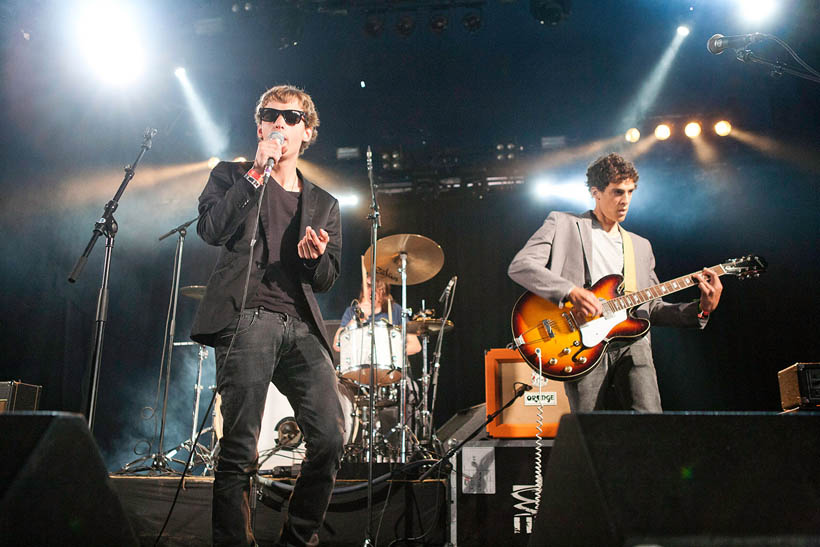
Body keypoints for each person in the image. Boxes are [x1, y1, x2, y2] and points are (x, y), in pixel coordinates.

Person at [190, 84, 343, 547]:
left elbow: (327, 278)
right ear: (259, 125)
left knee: (331, 438)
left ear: (307, 133)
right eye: (271, 115)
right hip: (246, 318)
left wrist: (314, 258)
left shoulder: (324, 203)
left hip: (300, 327)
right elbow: (211, 230)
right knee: (239, 448)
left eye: (292, 118)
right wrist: (256, 174)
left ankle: (298, 538)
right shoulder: (231, 175)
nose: (280, 123)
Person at [508, 153, 722, 412]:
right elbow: (521, 266)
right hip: (578, 342)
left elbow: (652, 308)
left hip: (633, 343)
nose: (626, 201)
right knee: (590, 432)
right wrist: (571, 291)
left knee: (652, 423)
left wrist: (702, 308)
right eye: (618, 192)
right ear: (595, 192)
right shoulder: (562, 223)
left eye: (631, 192)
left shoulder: (640, 246)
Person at [332, 276, 421, 356]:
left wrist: (385, 351)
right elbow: (337, 345)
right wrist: (358, 317)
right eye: (368, 286)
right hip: (360, 371)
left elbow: (415, 346)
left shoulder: (395, 310)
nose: (371, 291)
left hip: (389, 369)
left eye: (377, 287)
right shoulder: (352, 311)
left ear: (384, 291)